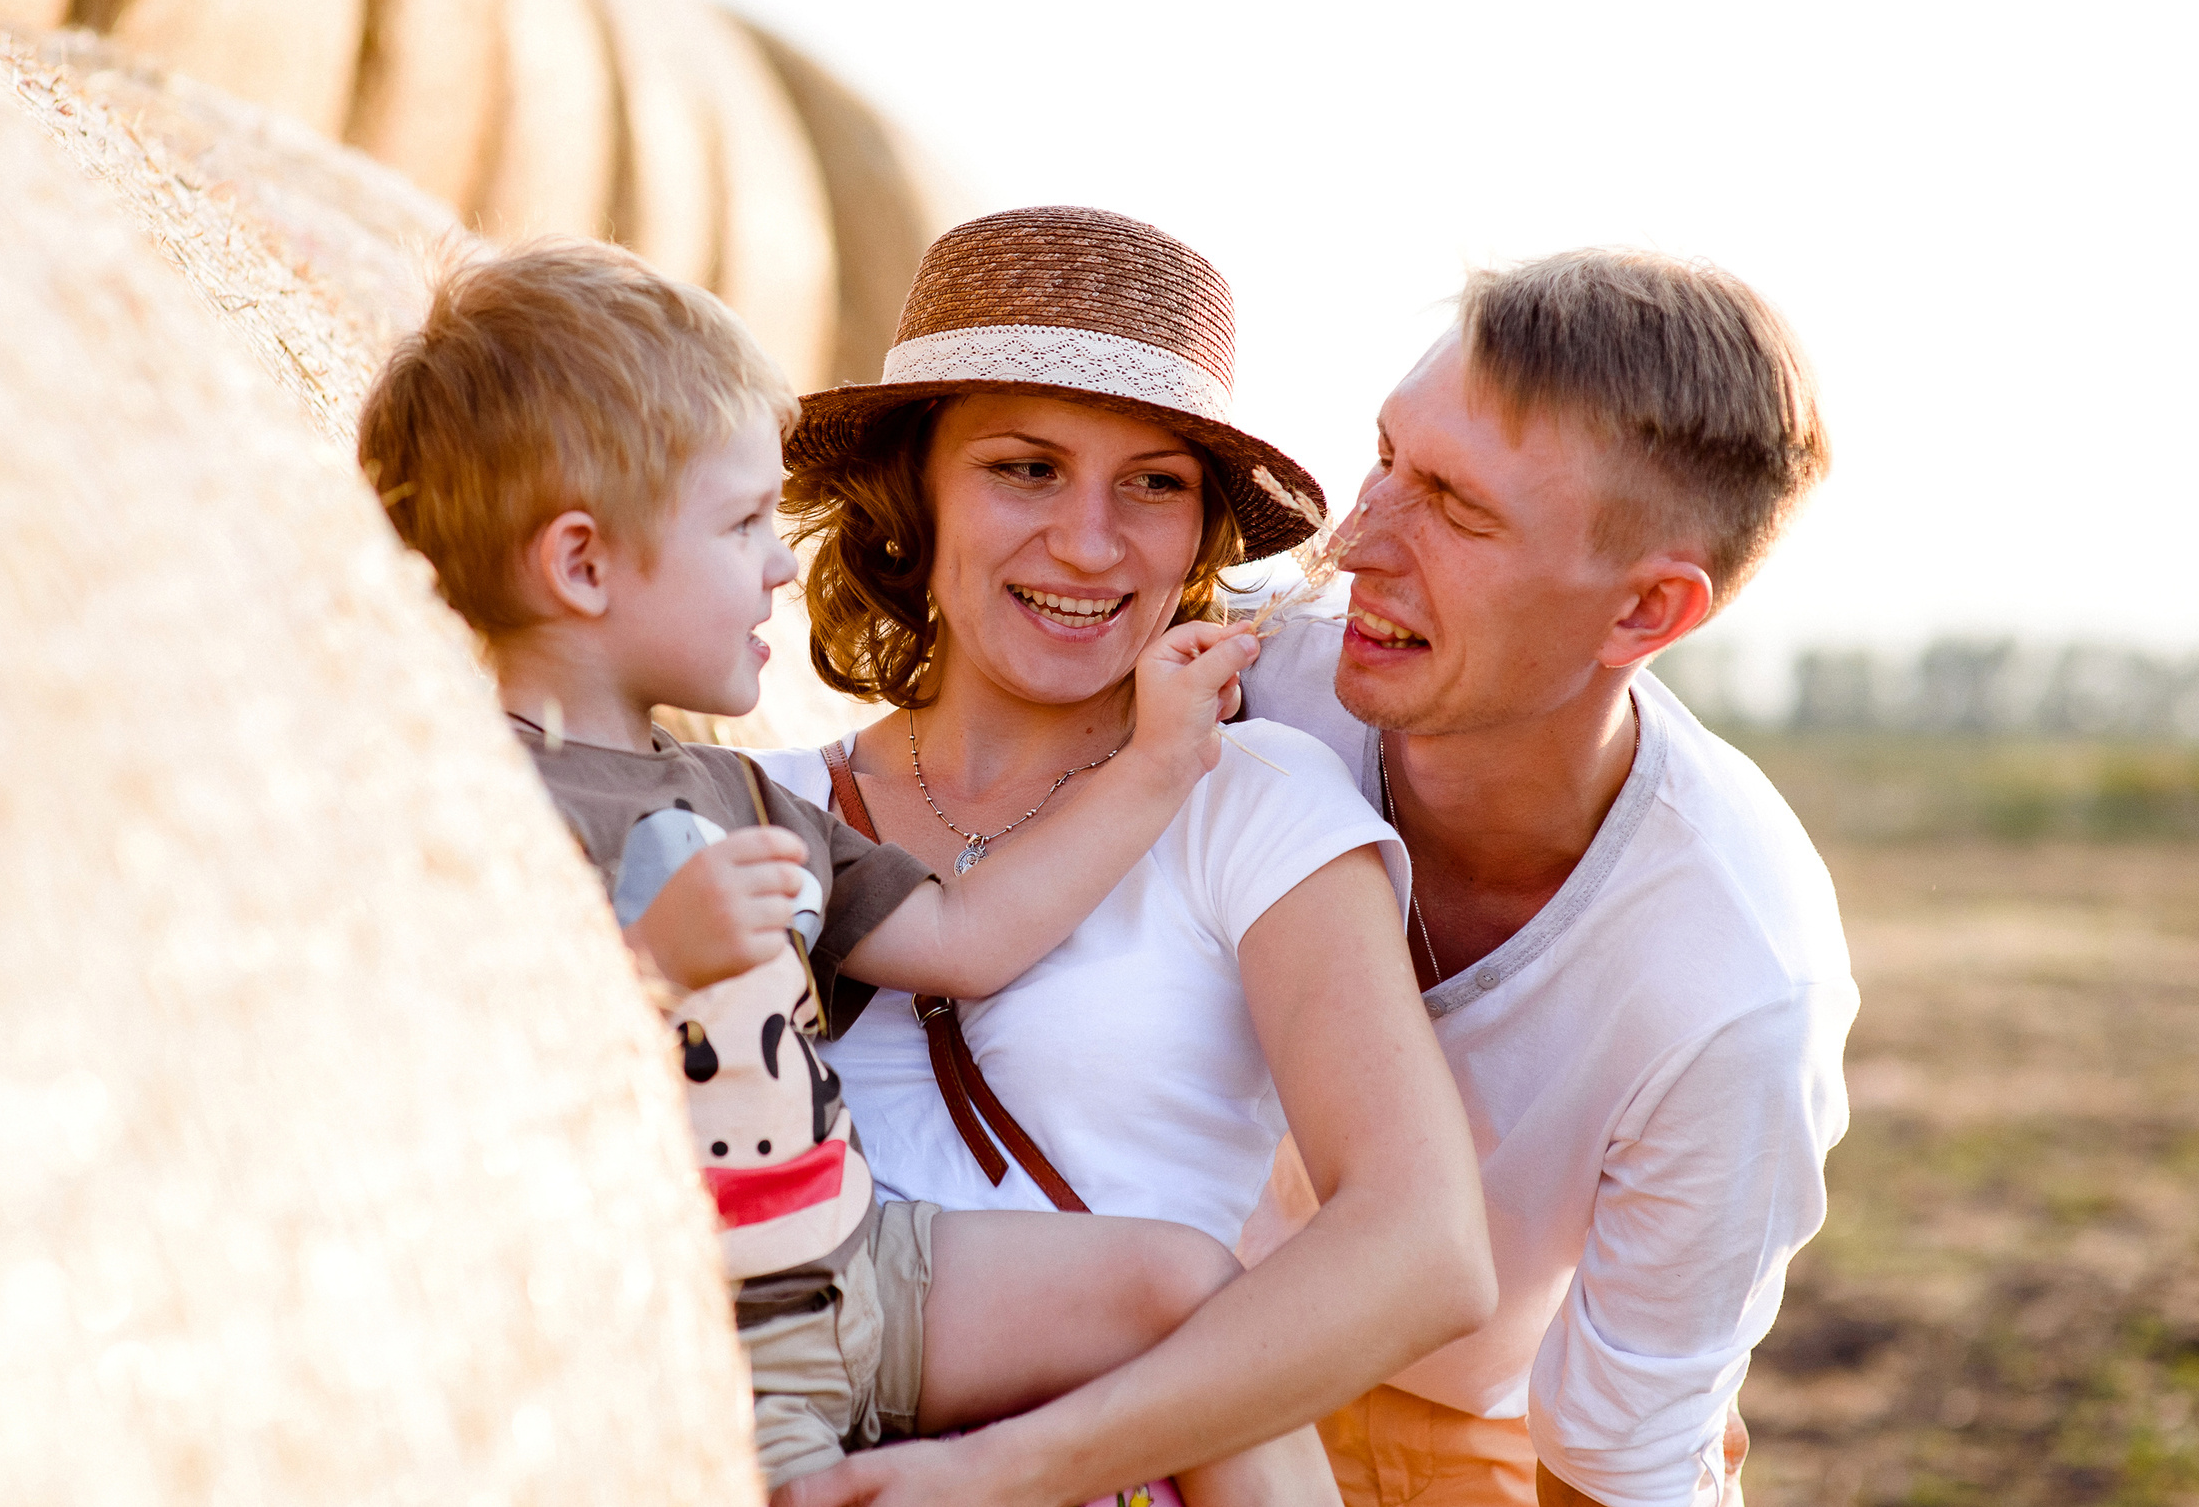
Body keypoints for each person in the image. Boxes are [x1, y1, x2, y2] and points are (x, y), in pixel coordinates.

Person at [353, 237, 1351, 1502]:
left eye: (1152, 484)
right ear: (582, 565)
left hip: (864, 1268)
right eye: (1025, 467)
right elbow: (416, 1083)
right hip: (709, 1319)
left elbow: (968, 938)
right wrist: (645, 970)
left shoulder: (749, 798)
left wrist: (1156, 767)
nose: (777, 561)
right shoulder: (466, 799)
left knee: (1187, 1286)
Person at [756, 206, 1497, 1507]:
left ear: (1203, 532)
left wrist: (994, 1474)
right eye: (1025, 469)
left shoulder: (1251, 802)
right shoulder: (752, 809)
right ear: (911, 493)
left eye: (1152, 483)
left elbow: (1425, 1247)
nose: (1091, 544)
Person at [1232, 249, 1859, 1507]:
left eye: (1457, 508)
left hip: (1470, 1437)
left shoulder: (1736, 980)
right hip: (1141, 1340)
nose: (1353, 541)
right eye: (1386, 456)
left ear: (1644, 615)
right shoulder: (1238, 682)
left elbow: (1616, 1457)